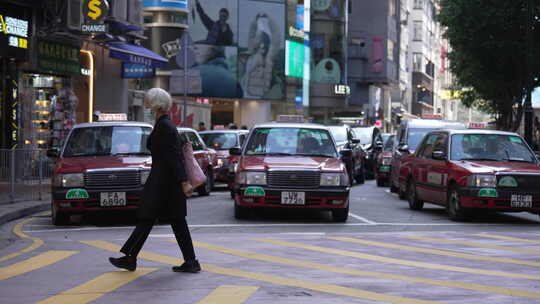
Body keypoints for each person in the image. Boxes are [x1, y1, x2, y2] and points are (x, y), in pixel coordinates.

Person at [109, 88, 201, 273]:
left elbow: (173, 157)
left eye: (148, 103)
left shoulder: (164, 126)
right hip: (165, 182)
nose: (146, 106)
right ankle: (132, 257)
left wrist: (184, 182)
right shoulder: (164, 124)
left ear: (155, 105)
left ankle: (131, 258)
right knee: (162, 220)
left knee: (151, 218)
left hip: (164, 183)